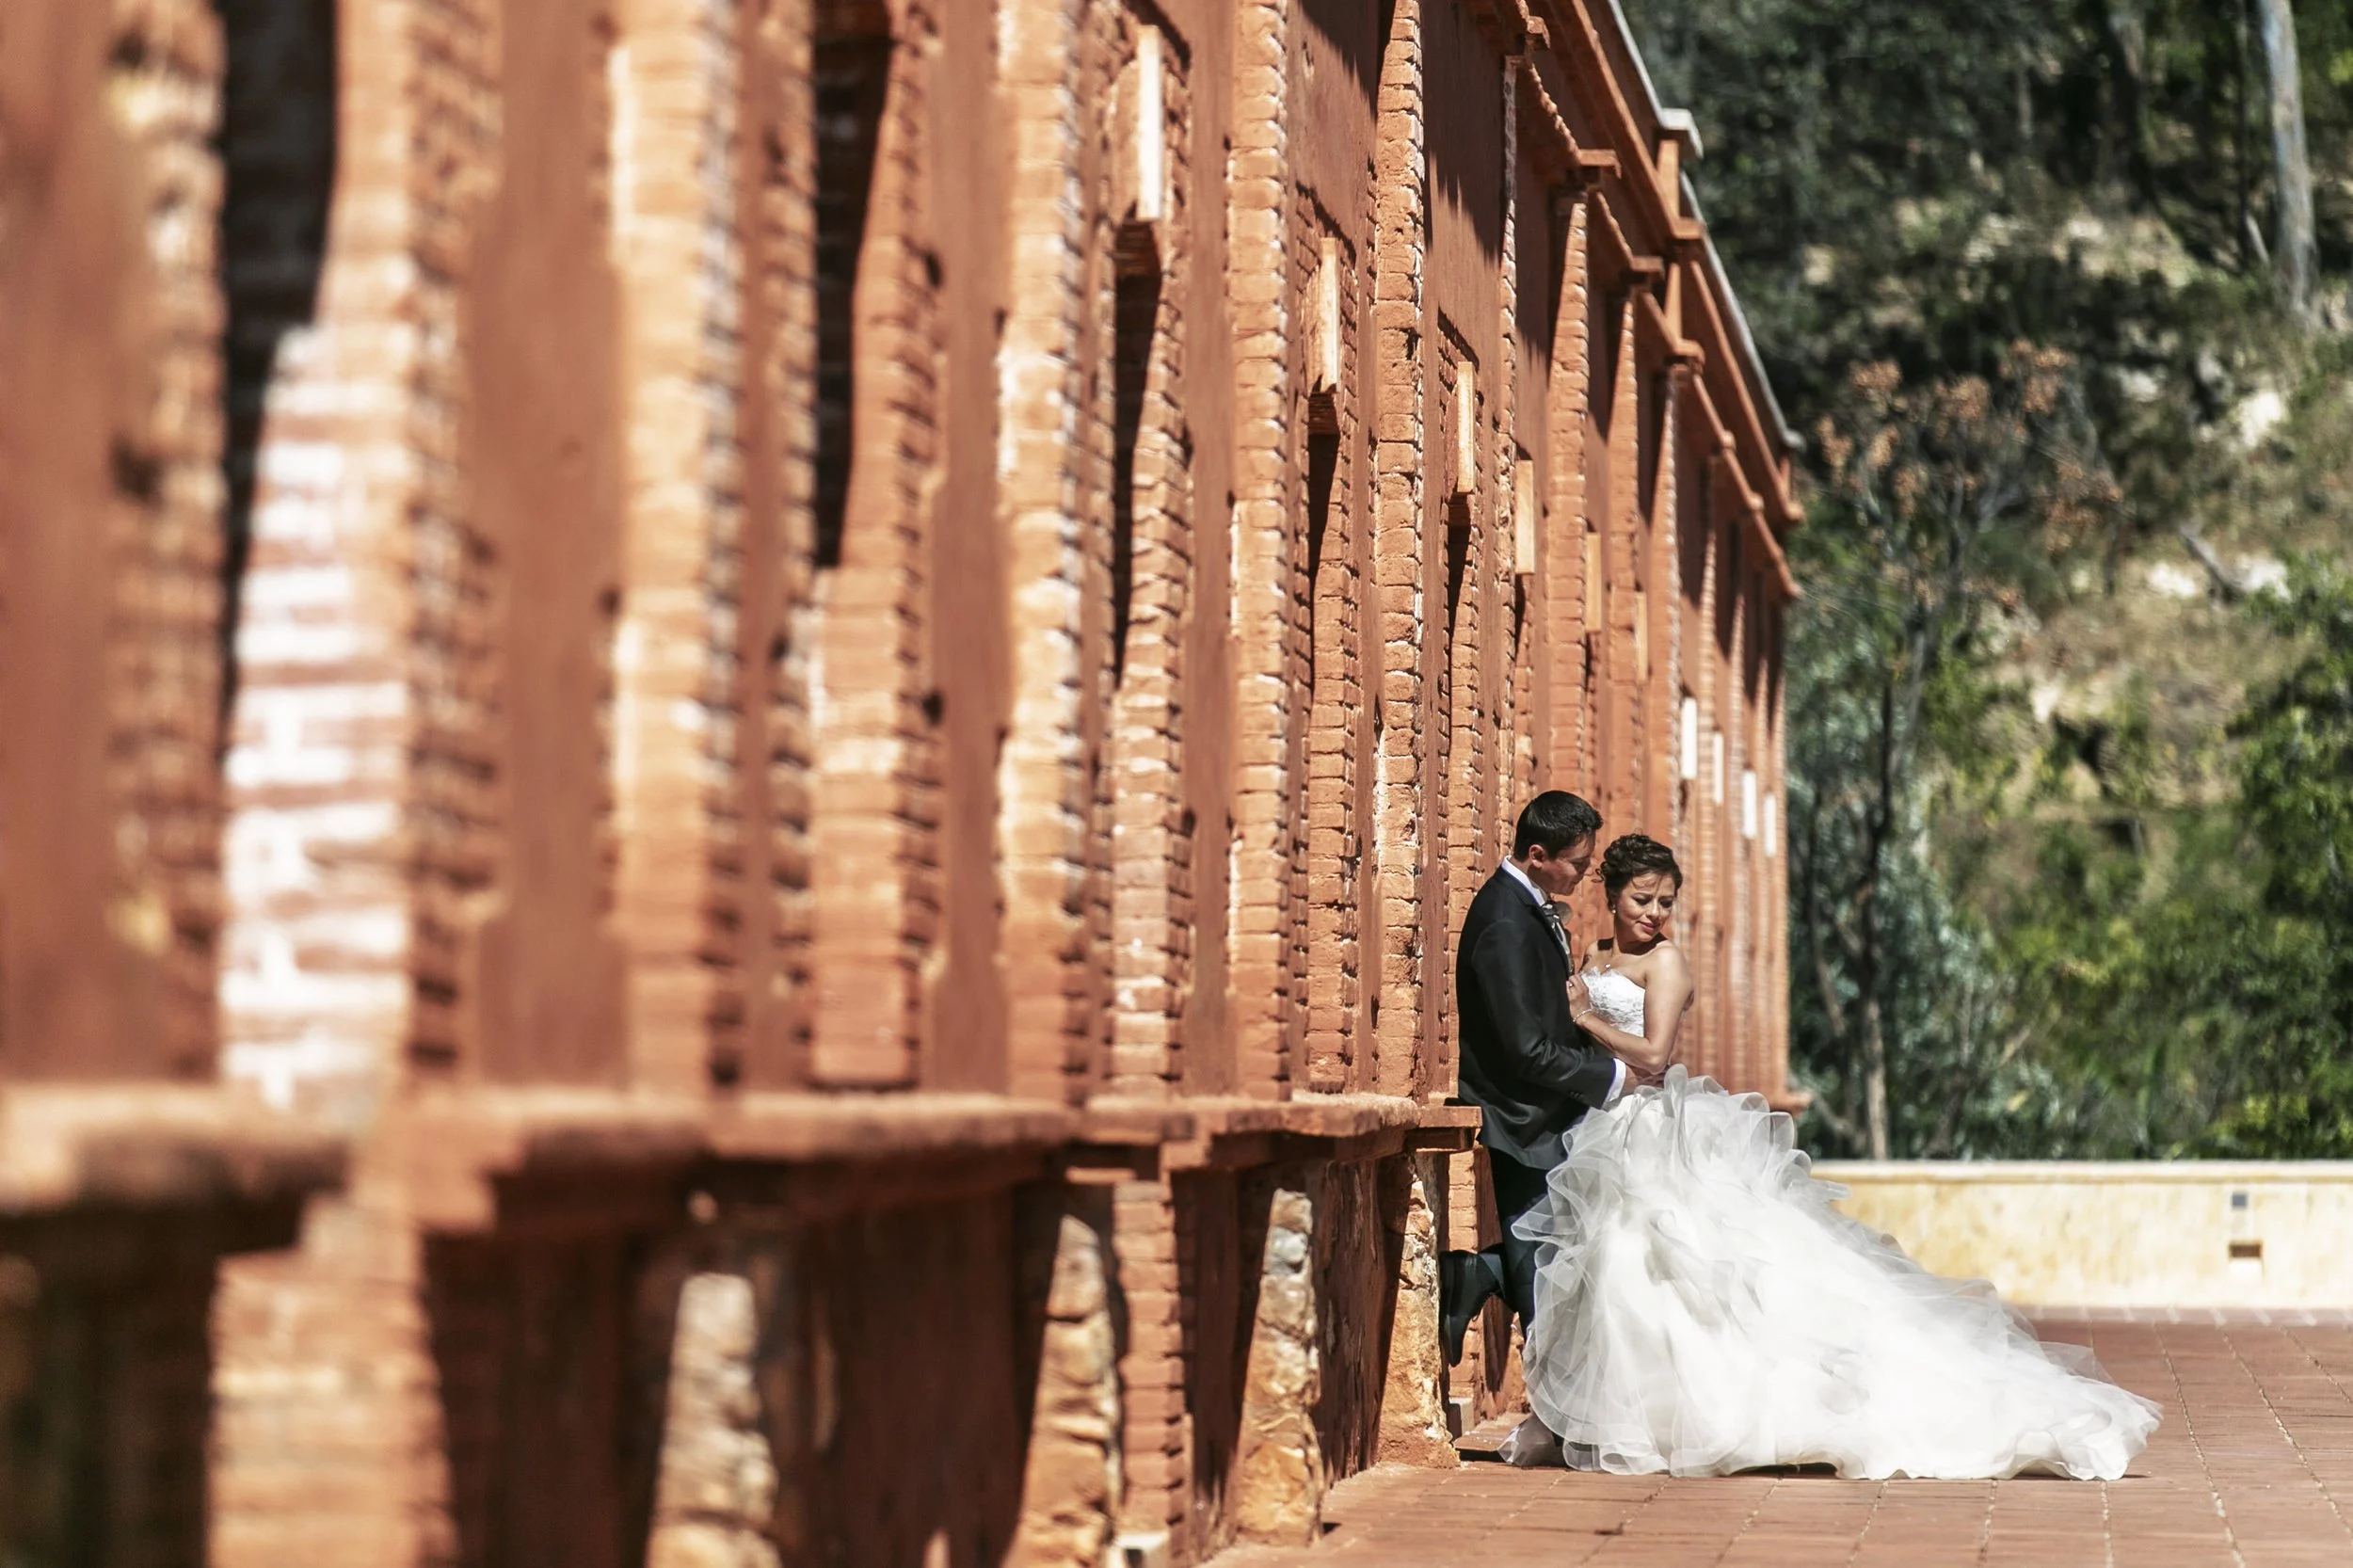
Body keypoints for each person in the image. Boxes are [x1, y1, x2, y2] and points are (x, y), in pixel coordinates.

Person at [1510, 833, 2162, 1480]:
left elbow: (1654, 1057)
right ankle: (1629, 1415)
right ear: (1611, 894)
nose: (1655, 915)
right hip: (1601, 1129)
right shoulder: (1591, 954)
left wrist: (1585, 1018)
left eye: (1666, 903)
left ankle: (1710, 1416)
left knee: (1671, 1261)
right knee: (1620, 1269)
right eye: (1642, 900)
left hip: (1652, 1128)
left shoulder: (1667, 965)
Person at [1438, 791, 1625, 1379]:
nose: (1585, 873)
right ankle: (1556, 1413)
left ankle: (1480, 1274)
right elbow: (1524, 1049)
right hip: (1524, 1119)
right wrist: (1610, 1077)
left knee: (1556, 1258)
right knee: (1544, 1270)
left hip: (1549, 1114)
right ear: (1539, 854)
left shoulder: (1527, 907)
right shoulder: (1504, 922)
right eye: (1577, 863)